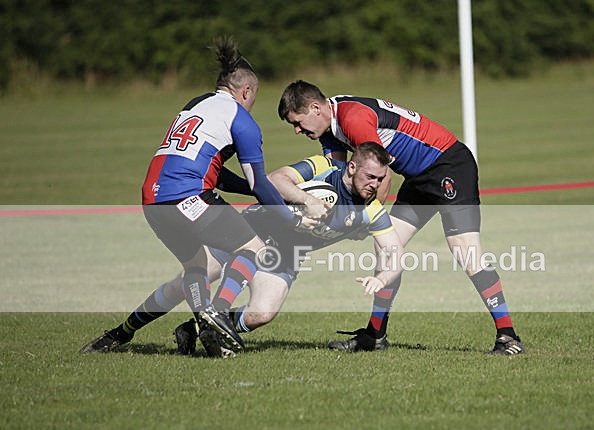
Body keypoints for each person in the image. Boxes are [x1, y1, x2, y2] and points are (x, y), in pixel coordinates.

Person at [99, 36, 317, 357]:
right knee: (253, 247)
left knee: (195, 265)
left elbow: (215, 172)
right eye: (253, 96)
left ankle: (182, 323)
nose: (252, 103)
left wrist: (247, 188)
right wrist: (287, 215)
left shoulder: (196, 104)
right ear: (246, 91)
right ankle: (217, 312)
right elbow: (259, 183)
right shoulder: (242, 120)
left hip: (152, 199)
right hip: (188, 196)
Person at [81, 142, 403, 356]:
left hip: (286, 255)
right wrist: (305, 201)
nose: (375, 185)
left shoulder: (370, 211)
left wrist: (383, 277)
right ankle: (121, 333)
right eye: (370, 177)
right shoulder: (321, 165)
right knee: (193, 277)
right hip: (255, 227)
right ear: (351, 168)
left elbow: (394, 253)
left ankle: (194, 328)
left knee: (263, 313)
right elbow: (275, 179)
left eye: (381, 179)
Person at [277, 80, 524, 355]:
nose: (297, 130)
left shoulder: (352, 118)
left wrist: (364, 217)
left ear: (315, 108)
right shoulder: (328, 127)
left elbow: (379, 173)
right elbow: (338, 177)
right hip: (418, 177)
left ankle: (508, 336)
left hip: (448, 165)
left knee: (464, 250)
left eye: (298, 122)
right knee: (386, 247)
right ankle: (375, 335)